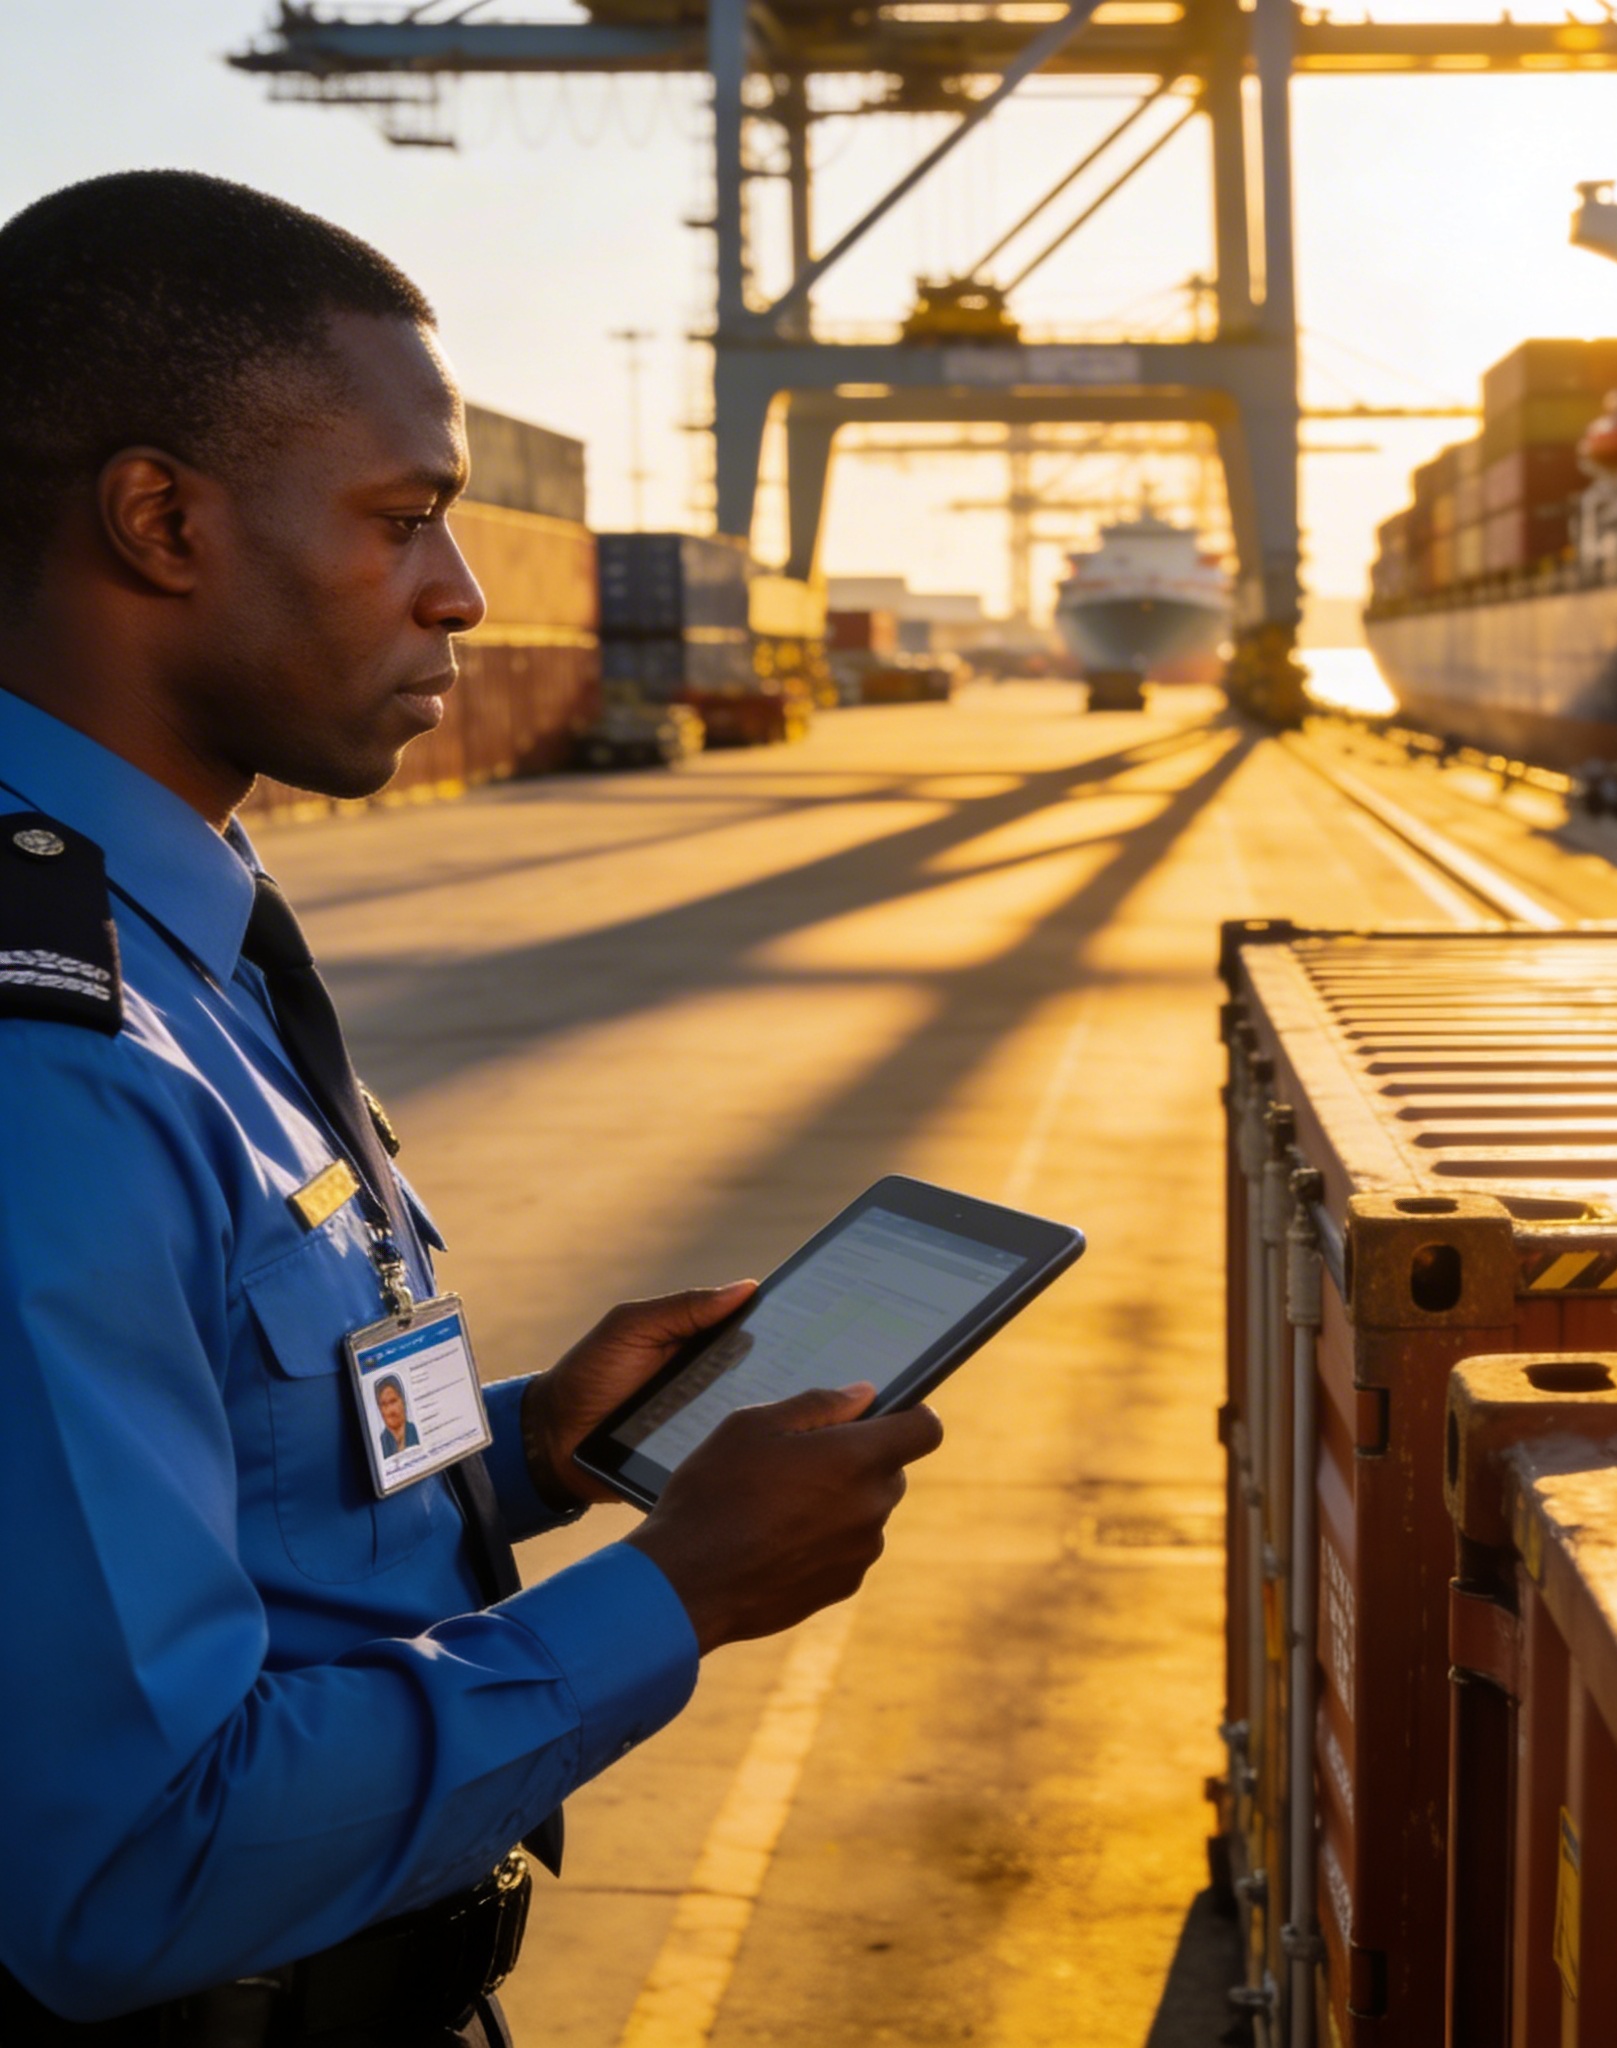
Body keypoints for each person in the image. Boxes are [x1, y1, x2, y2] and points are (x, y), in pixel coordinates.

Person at [0, 170, 943, 2041]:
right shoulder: (53, 1063)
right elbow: (124, 1866)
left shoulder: (169, 932)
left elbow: (217, 1472)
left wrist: (522, 1450)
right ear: (160, 519)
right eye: (404, 516)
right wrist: (675, 1591)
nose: (468, 588)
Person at [375, 1377, 422, 1458]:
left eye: (393, 1401)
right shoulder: (380, 1444)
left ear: (403, 1401)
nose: (390, 1410)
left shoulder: (416, 1431)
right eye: (384, 1404)